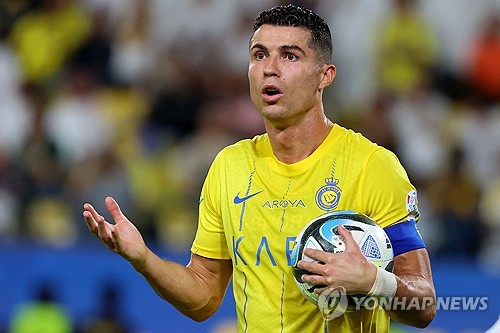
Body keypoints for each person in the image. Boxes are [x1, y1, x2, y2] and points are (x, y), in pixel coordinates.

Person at [83, 4, 436, 332]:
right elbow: (204, 296)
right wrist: (144, 259)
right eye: (259, 54)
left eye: (290, 56)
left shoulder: (372, 166)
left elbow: (423, 304)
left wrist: (373, 281)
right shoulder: (229, 166)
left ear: (324, 76)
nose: (270, 68)